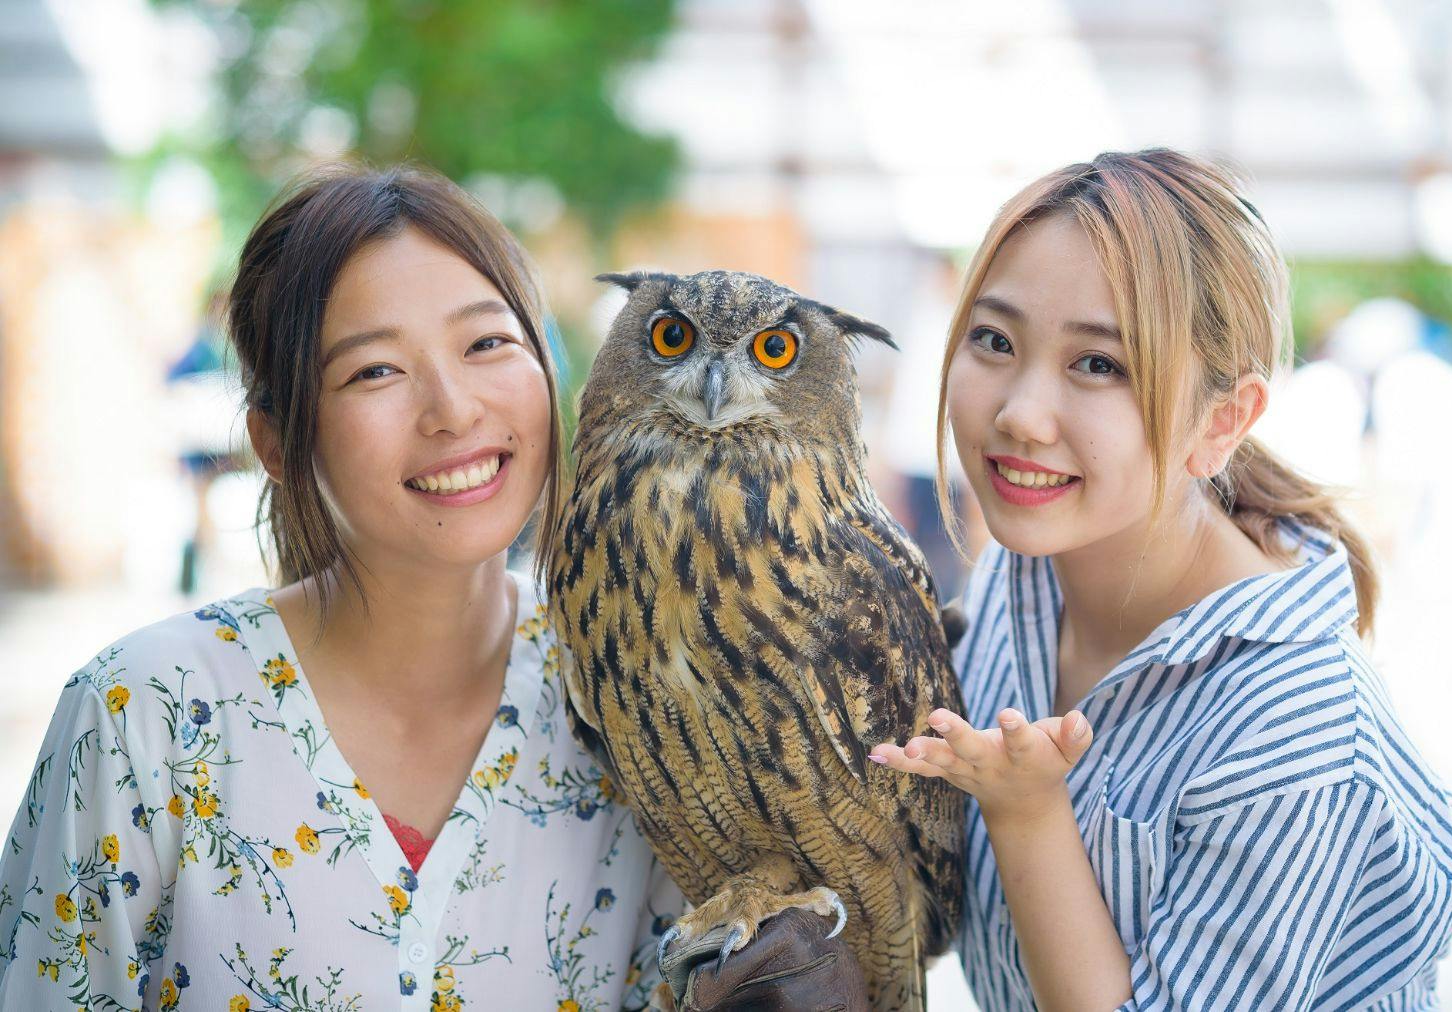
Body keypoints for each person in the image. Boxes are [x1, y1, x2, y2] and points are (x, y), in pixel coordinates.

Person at [0, 164, 859, 1009]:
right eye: (375, 370)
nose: (451, 409)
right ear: (275, 439)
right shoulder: (146, 715)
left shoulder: (633, 698)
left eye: (487, 344)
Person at [869, 149, 1452, 1010]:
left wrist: (1028, 810)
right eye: (994, 341)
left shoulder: (1298, 737)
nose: (1018, 414)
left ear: (1221, 421)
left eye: (1099, 365)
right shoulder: (1020, 575)